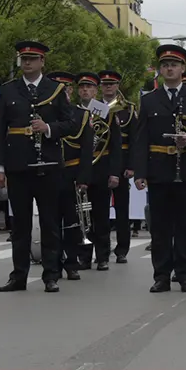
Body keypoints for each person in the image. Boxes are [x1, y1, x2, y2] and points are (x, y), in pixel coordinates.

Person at [131, 44, 186, 293]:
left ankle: (185, 274)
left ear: (183, 69)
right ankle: (161, 275)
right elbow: (141, 140)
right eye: (165, 65)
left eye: (174, 65)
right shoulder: (148, 100)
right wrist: (140, 172)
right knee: (159, 227)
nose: (169, 68)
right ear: (160, 70)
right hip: (159, 170)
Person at [0, 41, 76, 293]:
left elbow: (70, 123)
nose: (27, 63)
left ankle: (51, 274)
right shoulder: (8, 91)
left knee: (50, 222)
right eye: (23, 59)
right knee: (20, 225)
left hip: (49, 164)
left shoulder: (56, 89)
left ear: (42, 62)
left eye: (32, 59)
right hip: (18, 165)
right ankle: (18, 275)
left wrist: (48, 128)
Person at [47, 71, 94, 280]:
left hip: (72, 173)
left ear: (70, 91)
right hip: (50, 173)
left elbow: (86, 151)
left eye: (65, 89)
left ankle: (71, 263)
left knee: (73, 222)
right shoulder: (45, 115)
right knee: (51, 222)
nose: (62, 93)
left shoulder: (82, 115)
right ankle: (53, 264)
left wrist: (83, 178)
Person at [74, 71, 121, 271]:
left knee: (101, 216)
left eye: (90, 87)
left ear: (96, 90)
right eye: (82, 87)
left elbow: (116, 145)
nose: (85, 90)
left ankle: (102, 256)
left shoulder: (106, 112)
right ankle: (84, 256)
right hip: (79, 170)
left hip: (101, 168)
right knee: (82, 216)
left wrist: (114, 173)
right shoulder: (72, 112)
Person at [97, 69, 135, 262]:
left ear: (117, 86)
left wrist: (131, 166)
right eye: (104, 84)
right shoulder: (94, 108)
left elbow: (135, 139)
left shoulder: (128, 108)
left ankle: (122, 250)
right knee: (99, 209)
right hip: (100, 161)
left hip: (122, 163)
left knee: (122, 209)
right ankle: (101, 249)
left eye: (111, 84)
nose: (108, 87)